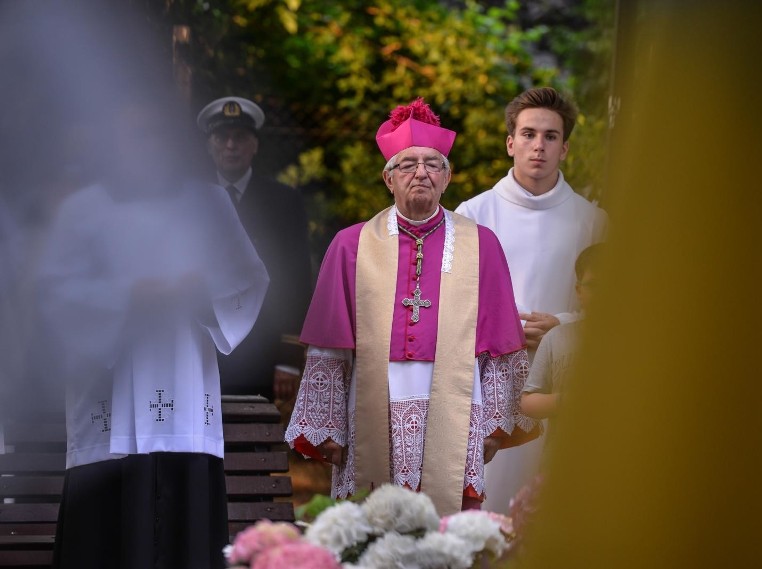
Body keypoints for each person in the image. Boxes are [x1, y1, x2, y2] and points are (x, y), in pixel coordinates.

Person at [40, 96, 269, 568]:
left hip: (182, 385)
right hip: (107, 390)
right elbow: (55, 292)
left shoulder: (209, 202)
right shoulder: (84, 208)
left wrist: (201, 289)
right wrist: (127, 295)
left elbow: (249, 277)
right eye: (134, 136)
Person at [285, 98, 539, 516]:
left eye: (432, 164)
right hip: (372, 402)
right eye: (407, 165)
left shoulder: (482, 244)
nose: (421, 172)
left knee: (447, 526)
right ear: (389, 178)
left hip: (458, 402)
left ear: (448, 176)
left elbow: (500, 346)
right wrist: (328, 425)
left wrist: (496, 423)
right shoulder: (351, 245)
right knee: (370, 524)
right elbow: (329, 345)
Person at [456, 87, 608, 514]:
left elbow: (616, 304)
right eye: (527, 134)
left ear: (565, 148)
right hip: (486, 375)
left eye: (550, 136)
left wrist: (562, 321)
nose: (538, 146)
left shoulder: (593, 221)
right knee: (487, 504)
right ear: (510, 143)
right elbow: (453, 300)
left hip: (561, 377)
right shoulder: (474, 214)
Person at [197, 97, 312, 402]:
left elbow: (296, 280)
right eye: (222, 137)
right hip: (202, 345)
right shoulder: (190, 200)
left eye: (241, 137)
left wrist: (288, 356)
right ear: (210, 146)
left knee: (256, 441)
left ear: (255, 145)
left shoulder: (284, 202)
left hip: (262, 348)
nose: (231, 145)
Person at [521, 244, 602, 423]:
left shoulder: (639, 340)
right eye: (594, 285)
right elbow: (527, 402)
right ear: (579, 291)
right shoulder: (556, 338)